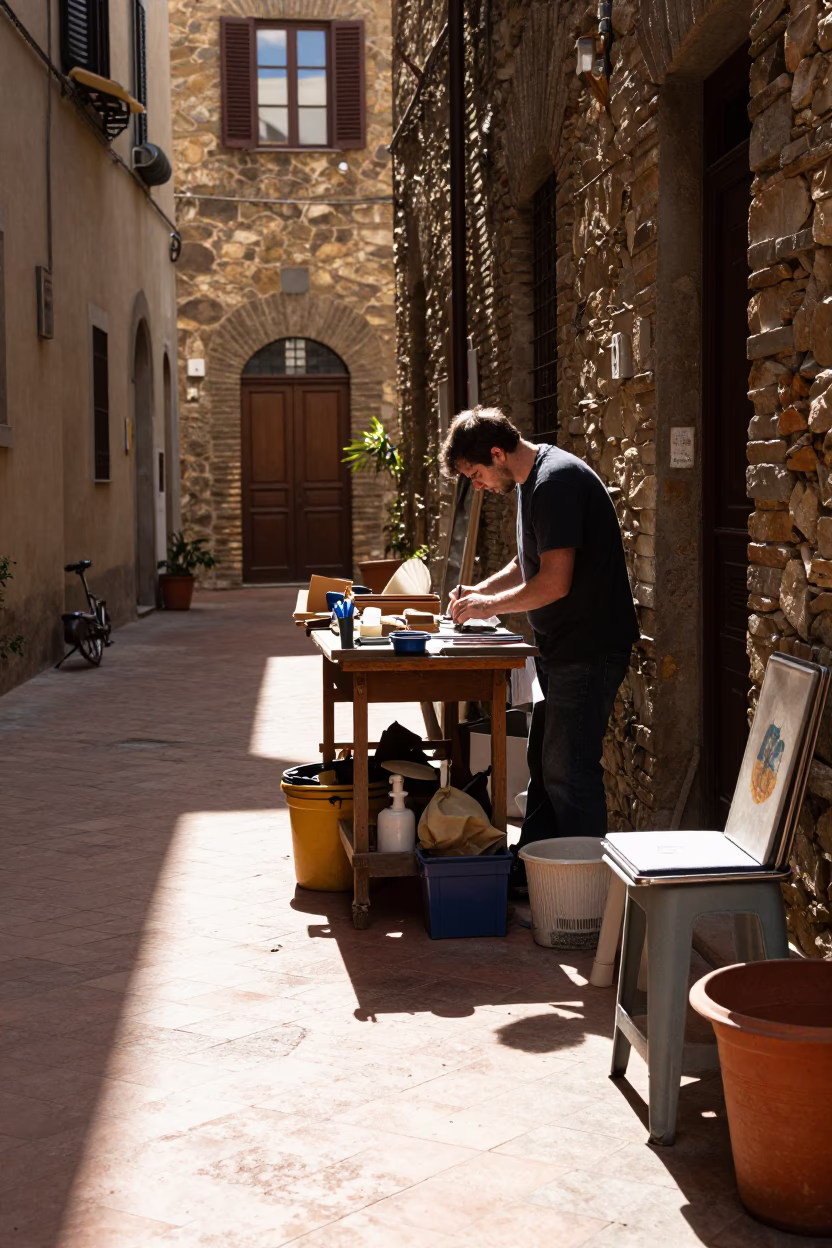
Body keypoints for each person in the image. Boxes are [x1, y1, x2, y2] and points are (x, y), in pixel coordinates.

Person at [442, 407, 638, 888]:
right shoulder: (533, 483)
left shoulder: (556, 481)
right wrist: (478, 593)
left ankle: (584, 890)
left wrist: (490, 607)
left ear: (496, 453)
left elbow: (553, 581)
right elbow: (528, 560)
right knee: (545, 765)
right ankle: (534, 873)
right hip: (559, 648)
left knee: (569, 771)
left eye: (478, 474)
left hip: (589, 647)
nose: (481, 485)